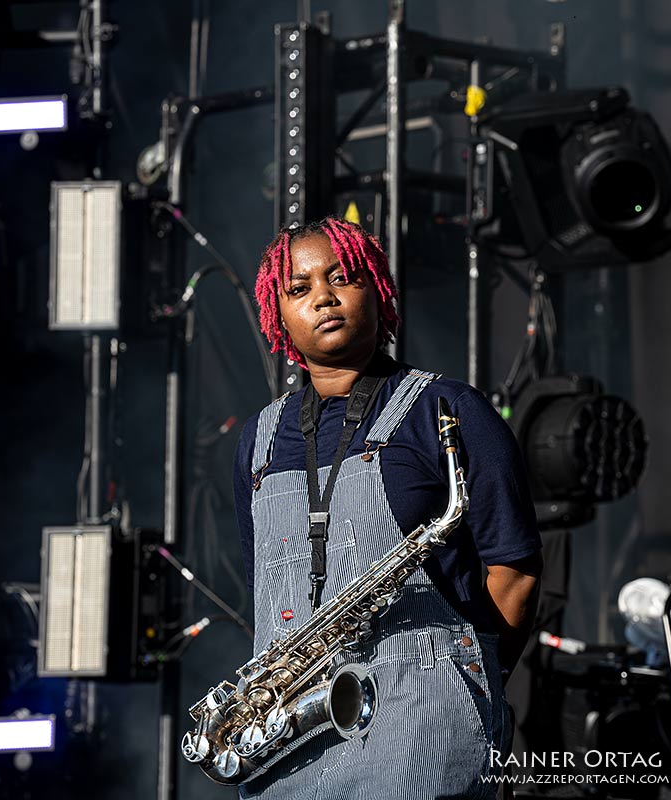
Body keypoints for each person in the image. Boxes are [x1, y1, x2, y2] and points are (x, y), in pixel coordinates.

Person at [232, 216, 542, 799]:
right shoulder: (258, 439)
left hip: (418, 734)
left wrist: (463, 681)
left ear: (377, 287)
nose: (323, 296)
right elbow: (268, 598)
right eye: (299, 288)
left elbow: (516, 570)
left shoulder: (447, 408)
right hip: (289, 743)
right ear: (278, 317)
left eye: (343, 277)